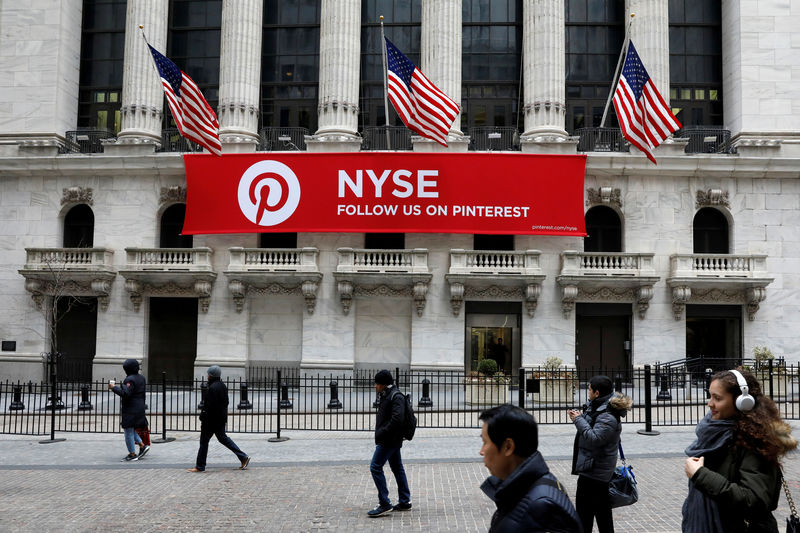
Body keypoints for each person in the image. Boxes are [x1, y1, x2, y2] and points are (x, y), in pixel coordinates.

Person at [682, 369, 797, 533]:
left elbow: (755, 500)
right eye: (710, 396)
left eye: (718, 398)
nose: (710, 403)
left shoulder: (756, 442)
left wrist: (701, 475)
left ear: (742, 402)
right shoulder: (713, 433)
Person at [479, 404, 582, 533]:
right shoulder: (521, 491)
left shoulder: (543, 507)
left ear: (508, 447)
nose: (481, 452)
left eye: (485, 442)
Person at [568, 375, 632, 533]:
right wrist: (582, 416)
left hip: (595, 474)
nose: (587, 392)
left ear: (597, 393)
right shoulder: (599, 406)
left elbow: (594, 438)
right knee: (596, 515)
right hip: (593, 469)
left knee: (590, 516)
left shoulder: (607, 415)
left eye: (589, 389)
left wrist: (578, 420)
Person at [187, 365, 250, 472]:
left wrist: (203, 418)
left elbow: (209, 407)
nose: (207, 375)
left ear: (211, 375)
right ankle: (243, 457)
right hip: (220, 419)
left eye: (208, 374)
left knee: (204, 442)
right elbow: (226, 402)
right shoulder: (222, 386)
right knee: (223, 438)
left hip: (211, 421)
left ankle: (200, 466)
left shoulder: (212, 388)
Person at [367, 369, 411, 517]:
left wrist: (382, 431)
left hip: (389, 439)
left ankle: (384, 503)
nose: (375, 386)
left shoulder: (395, 396)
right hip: (391, 438)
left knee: (375, 467)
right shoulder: (388, 394)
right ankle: (405, 501)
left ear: (384, 384)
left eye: (377, 383)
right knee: (397, 467)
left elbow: (397, 419)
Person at [109, 358, 148, 462]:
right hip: (139, 407)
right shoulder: (142, 378)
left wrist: (114, 387)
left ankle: (132, 454)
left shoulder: (129, 380)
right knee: (130, 429)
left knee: (128, 431)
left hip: (131, 409)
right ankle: (142, 445)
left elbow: (126, 394)